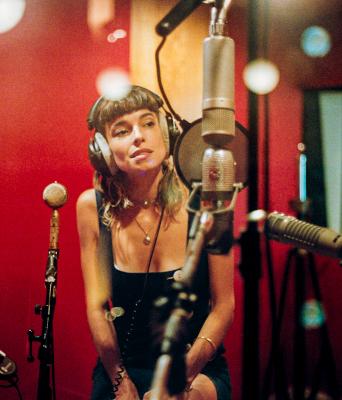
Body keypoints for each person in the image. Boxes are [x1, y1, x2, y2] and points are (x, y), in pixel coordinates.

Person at [76, 86, 235, 400]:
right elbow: (97, 308)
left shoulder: (208, 201)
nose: (139, 136)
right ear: (103, 151)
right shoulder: (91, 208)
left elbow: (224, 305)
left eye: (148, 123)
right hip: (120, 366)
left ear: (167, 132)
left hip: (195, 363)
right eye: (122, 131)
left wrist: (178, 380)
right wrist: (121, 383)